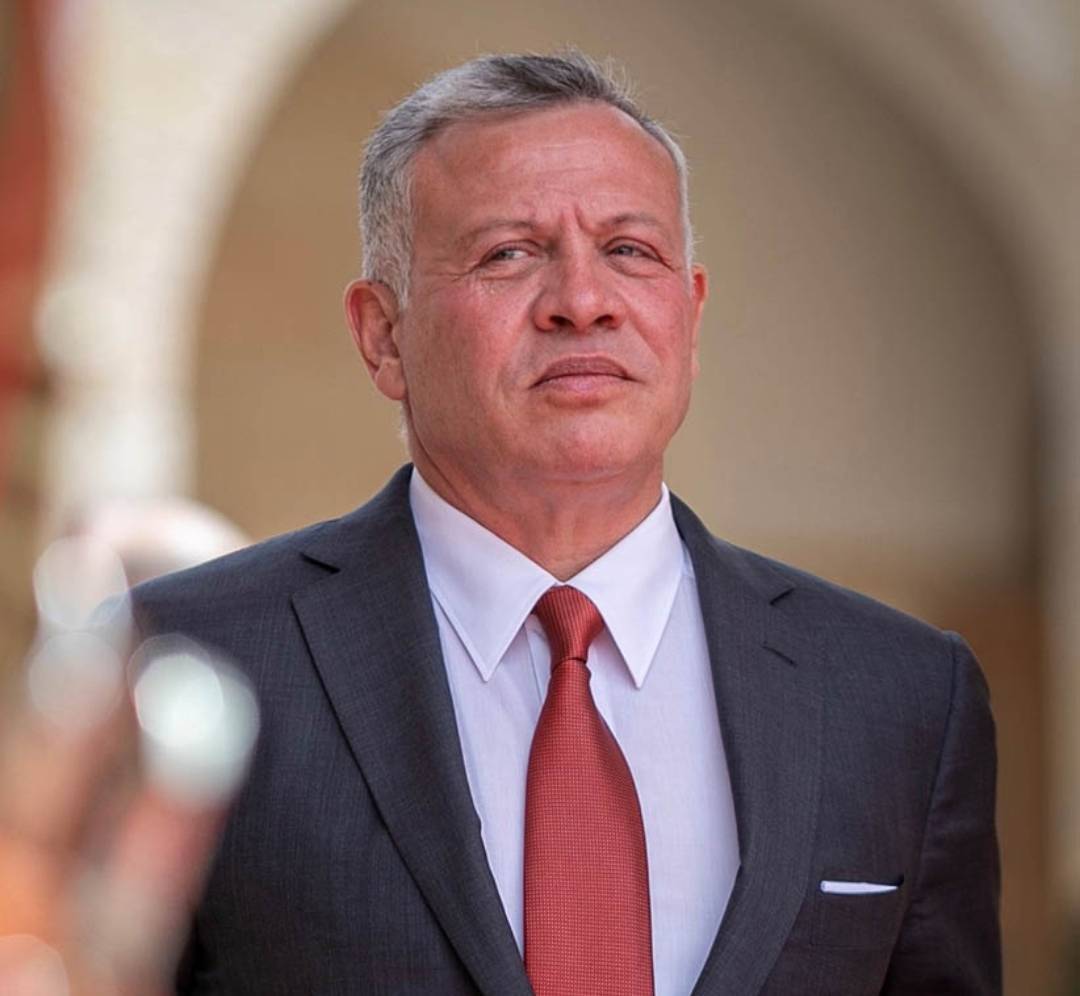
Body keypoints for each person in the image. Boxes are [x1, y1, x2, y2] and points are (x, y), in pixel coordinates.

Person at [132, 51, 1000, 995]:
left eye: (630, 251)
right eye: (509, 253)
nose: (583, 303)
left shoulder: (901, 697)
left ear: (690, 316)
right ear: (383, 334)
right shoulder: (181, 661)